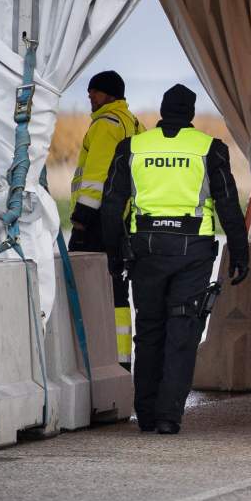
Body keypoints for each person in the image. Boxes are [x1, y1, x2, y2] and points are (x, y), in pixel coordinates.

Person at [101, 84, 250, 435]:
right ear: (191, 114)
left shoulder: (133, 148)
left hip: (145, 251)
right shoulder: (209, 149)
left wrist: (114, 256)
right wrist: (240, 254)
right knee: (182, 331)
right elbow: (228, 206)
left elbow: (110, 208)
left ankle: (147, 414)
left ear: (163, 111)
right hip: (192, 253)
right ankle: (169, 416)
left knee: (149, 329)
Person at [68, 70, 144, 369]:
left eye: (95, 92)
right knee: (117, 291)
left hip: (97, 221)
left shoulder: (105, 124)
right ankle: (122, 359)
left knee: (86, 288)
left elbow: (96, 176)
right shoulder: (133, 122)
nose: (90, 97)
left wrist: (82, 218)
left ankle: (91, 359)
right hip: (123, 220)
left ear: (110, 95)